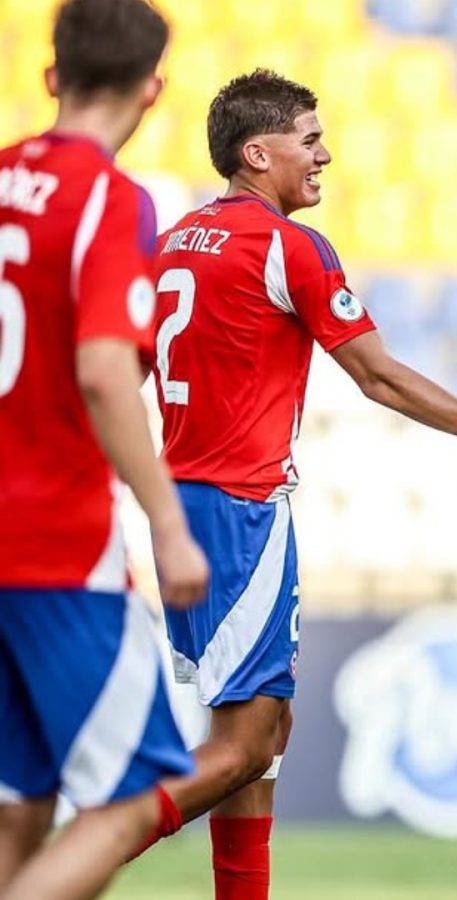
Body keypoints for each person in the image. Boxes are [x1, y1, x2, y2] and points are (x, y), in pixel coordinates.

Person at [125, 70, 457, 897]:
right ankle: (72, 845)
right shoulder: (288, 246)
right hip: (240, 514)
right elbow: (377, 377)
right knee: (244, 742)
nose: (325, 155)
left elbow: (130, 365)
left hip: (184, 505)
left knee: (264, 736)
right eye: (309, 140)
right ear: (256, 152)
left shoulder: (174, 240)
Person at [0, 2, 210, 898]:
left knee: (19, 803)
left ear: (53, 77)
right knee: (134, 798)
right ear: (152, 91)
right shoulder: (113, 199)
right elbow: (102, 370)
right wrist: (168, 522)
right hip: (55, 544)